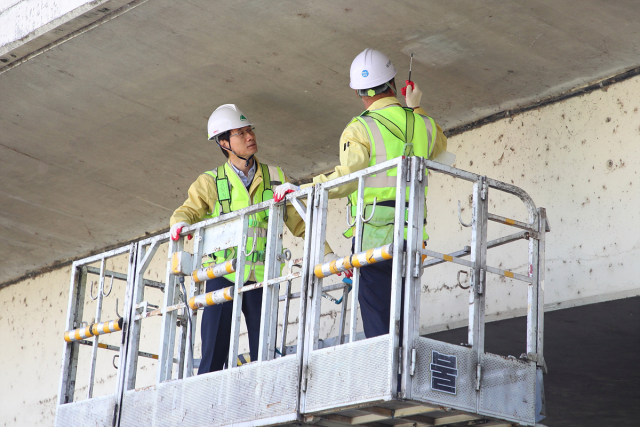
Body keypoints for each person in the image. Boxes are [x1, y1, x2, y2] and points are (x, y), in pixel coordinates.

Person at [274, 49, 448, 338]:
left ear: (359, 92)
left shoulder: (360, 128)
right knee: (406, 317)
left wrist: (302, 190)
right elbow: (440, 146)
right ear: (394, 83)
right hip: (412, 236)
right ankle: (406, 373)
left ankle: (387, 378)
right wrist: (416, 107)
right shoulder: (425, 124)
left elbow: (347, 179)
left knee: (378, 320)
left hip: (373, 239)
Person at [169, 104, 333, 373]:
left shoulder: (275, 176)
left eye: (250, 130)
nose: (249, 136)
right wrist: (180, 224)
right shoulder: (210, 181)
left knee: (264, 353)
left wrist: (327, 253)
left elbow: (301, 223)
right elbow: (187, 210)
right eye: (241, 133)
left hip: (261, 276)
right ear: (224, 142)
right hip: (222, 275)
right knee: (213, 352)